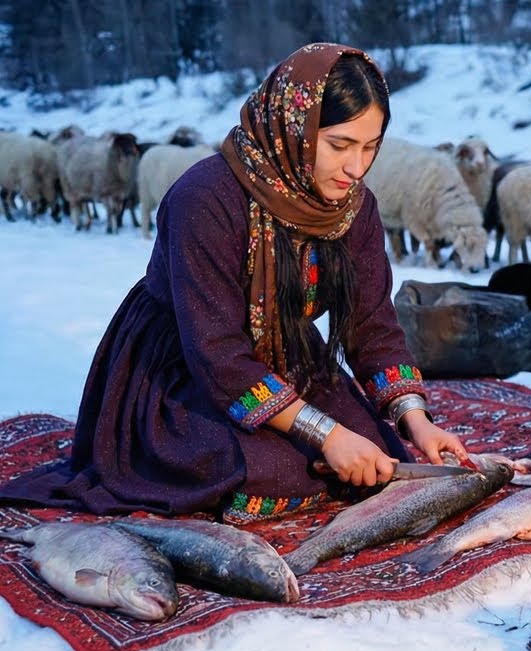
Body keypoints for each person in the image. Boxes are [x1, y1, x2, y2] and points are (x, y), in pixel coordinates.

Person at [0, 44, 467, 523]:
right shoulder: (205, 200)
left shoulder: (353, 209)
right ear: (296, 129)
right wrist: (326, 434)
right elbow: (216, 352)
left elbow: (371, 323)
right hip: (183, 361)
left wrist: (417, 422)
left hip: (287, 357)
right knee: (275, 467)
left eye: (370, 148)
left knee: (379, 452)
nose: (356, 168)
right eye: (340, 145)